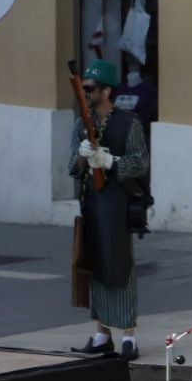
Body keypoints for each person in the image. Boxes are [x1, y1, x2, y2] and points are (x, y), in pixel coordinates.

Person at [68, 58, 149, 360]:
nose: (85, 93)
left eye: (90, 88)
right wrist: (82, 156)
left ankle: (129, 337)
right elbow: (71, 169)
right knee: (95, 264)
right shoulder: (81, 123)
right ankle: (102, 334)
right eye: (84, 88)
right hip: (92, 203)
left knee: (120, 265)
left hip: (119, 202)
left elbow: (140, 163)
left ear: (107, 91)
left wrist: (111, 161)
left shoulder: (130, 122)